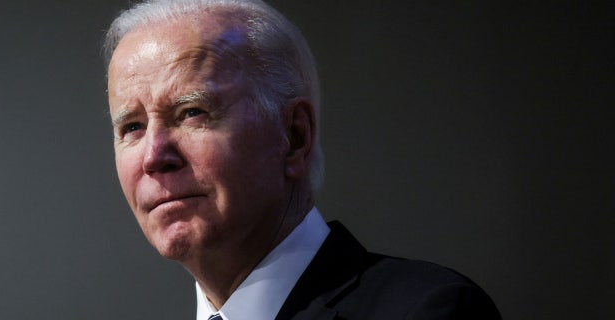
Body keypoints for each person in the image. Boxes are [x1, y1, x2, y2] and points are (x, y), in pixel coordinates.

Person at [103, 0, 501, 319]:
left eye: (192, 112)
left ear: (294, 136)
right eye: (132, 127)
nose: (155, 156)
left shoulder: (430, 310)